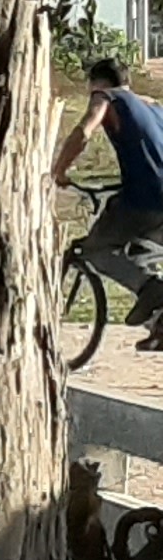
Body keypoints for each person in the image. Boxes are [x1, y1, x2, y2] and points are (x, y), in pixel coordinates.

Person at [58, 55, 163, 349]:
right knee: (136, 256)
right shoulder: (154, 106)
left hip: (146, 198)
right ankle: (159, 324)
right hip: (156, 201)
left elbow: (84, 131)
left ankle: (153, 291)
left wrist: (59, 171)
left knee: (95, 249)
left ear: (97, 84)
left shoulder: (106, 97)